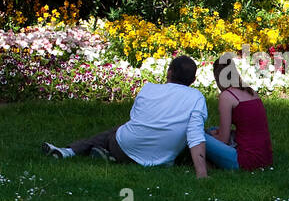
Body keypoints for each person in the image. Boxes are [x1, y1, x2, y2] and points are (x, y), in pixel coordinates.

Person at [42, 55, 209, 177]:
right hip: (163, 159)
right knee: (120, 132)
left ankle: (70, 151)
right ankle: (98, 153)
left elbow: (135, 120)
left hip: (125, 148)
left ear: (169, 72)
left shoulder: (149, 89)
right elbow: (195, 136)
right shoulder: (197, 98)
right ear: (193, 80)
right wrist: (201, 174)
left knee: (115, 133)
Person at [203, 52, 273, 171]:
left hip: (244, 160)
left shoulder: (227, 96)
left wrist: (211, 136)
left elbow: (223, 140)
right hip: (266, 157)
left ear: (218, 77)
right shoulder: (251, 91)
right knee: (212, 130)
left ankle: (199, 161)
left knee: (197, 134)